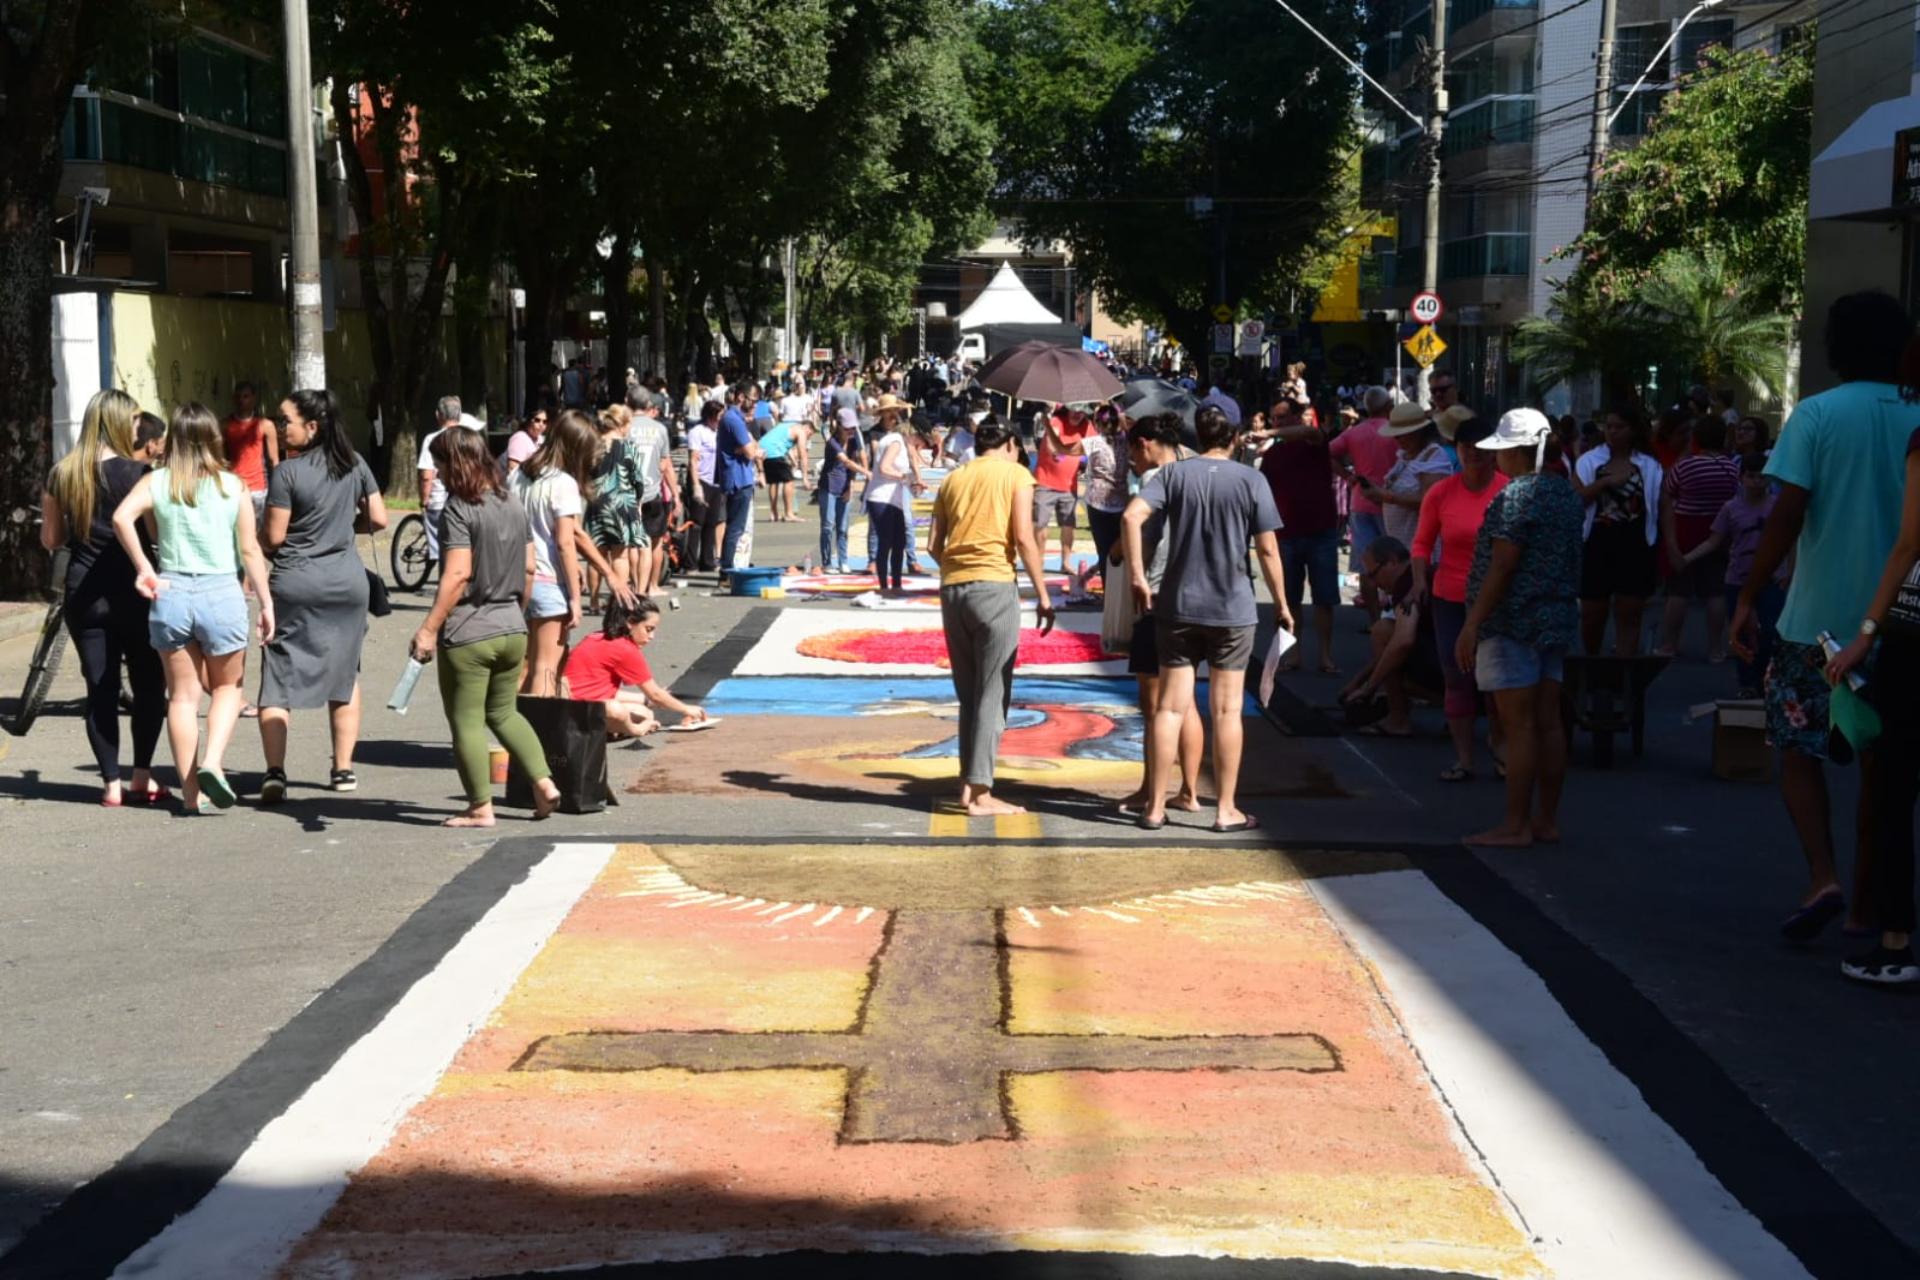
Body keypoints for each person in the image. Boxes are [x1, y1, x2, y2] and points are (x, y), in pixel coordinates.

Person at [1733, 290, 1920, 941]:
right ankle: (1868, 905)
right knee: (1882, 768)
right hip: (1900, 626)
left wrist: (1749, 594)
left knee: (1796, 751)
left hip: (1814, 625)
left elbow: (1785, 515)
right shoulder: (1916, 414)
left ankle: (1823, 875)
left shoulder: (1815, 415)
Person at [1122, 405, 1293, 834]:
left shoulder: (1174, 475)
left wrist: (1139, 578)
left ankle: (1155, 807)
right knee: (1226, 709)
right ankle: (1226, 809)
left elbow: (1130, 516)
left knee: (1169, 708)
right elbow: (1268, 549)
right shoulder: (1252, 480)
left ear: (1197, 436)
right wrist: (1282, 603)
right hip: (1232, 608)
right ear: (1235, 435)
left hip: (1178, 606)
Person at [112, 402, 274, 815]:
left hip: (172, 592)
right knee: (226, 688)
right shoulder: (232, 485)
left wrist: (145, 568)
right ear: (213, 439)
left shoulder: (158, 482)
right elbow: (250, 549)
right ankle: (213, 763)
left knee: (182, 698)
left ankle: (189, 794)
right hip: (221, 593)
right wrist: (267, 602)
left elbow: (121, 518)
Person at [413, 427, 560, 827]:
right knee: (505, 712)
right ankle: (544, 783)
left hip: (468, 630)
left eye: (441, 463)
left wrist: (429, 628)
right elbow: (530, 568)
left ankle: (480, 806)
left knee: (466, 720)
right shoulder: (511, 502)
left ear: (455, 463)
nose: (438, 473)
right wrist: (516, 610)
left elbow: (458, 574)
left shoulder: (460, 509)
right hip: (512, 625)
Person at [1454, 409, 1584, 848]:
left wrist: (1471, 623)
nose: (1496, 460)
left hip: (1513, 620)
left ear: (1515, 451)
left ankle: (1515, 824)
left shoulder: (1514, 497)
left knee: (1520, 727)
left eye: (1501, 451)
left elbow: (1504, 563)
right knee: (1548, 723)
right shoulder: (1565, 494)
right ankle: (1545, 820)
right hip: (1555, 618)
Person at [1825, 407, 1920, 984]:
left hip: (1914, 633)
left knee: (1891, 786)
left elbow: (1910, 543)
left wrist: (1865, 631)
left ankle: (1895, 940)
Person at [255, 389, 386, 802]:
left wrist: (254, 542)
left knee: (278, 677)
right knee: (344, 676)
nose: (280, 427)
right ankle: (343, 769)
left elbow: (274, 537)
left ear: (311, 427)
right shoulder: (355, 464)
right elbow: (379, 518)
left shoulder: (287, 474)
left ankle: (276, 772)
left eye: (285, 421)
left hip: (296, 583)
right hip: (348, 584)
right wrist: (344, 529)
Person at [41, 389, 167, 806]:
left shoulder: (61, 473)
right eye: (133, 419)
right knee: (149, 684)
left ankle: (110, 782)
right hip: (135, 591)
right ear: (116, 422)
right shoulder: (139, 473)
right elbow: (153, 536)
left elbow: (52, 539)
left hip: (84, 593)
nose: (138, 426)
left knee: (100, 686)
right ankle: (141, 776)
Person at [928, 417, 1058, 816]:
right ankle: (981, 792)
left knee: (970, 694)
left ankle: (969, 783)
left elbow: (934, 544)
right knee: (992, 692)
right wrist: (1042, 593)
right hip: (994, 586)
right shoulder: (1016, 475)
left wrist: (959, 566)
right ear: (1010, 444)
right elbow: (1023, 536)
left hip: (954, 589)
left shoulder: (954, 478)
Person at [1115, 414, 1204, 817]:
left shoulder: (1158, 481)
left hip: (1158, 593)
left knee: (1155, 704)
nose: (1132, 460)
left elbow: (1138, 527)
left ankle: (1151, 792)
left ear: (1147, 443)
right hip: (1199, 593)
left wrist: (1129, 566)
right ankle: (1189, 791)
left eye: (1132, 450)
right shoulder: (1199, 468)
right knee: (1186, 703)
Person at [1411, 414, 1508, 780]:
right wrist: (1420, 581)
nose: (1472, 455)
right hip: (1449, 596)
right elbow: (1421, 544)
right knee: (1457, 677)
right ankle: (1464, 758)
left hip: (1495, 598)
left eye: (1480, 449)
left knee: (1495, 680)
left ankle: (1500, 746)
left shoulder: (1506, 491)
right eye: (1465, 448)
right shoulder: (1441, 492)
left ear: (1493, 453)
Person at [512, 409, 634, 695]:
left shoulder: (519, 474)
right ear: (576, 449)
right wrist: (576, 598)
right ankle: (536, 736)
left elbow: (576, 534)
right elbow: (566, 542)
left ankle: (518, 730)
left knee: (529, 665)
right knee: (546, 667)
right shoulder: (563, 483)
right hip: (548, 580)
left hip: (519, 576)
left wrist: (607, 574)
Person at [1681, 454, 1786, 697]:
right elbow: (1714, 540)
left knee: (1769, 630)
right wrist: (1686, 558)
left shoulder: (1777, 505)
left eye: (1762, 477)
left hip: (1772, 576)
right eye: (1751, 476)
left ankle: (1765, 678)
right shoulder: (1731, 508)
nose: (1756, 482)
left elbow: (1790, 540)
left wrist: (1790, 571)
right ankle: (1747, 682)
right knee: (1742, 632)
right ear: (1742, 478)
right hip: (1738, 576)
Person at [1259, 395, 1341, 674]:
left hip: (1321, 531)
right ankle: (1292, 654)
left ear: (1297, 417)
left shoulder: (1314, 442)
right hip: (1286, 534)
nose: (1278, 422)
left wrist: (1269, 432)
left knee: (1324, 598)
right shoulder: (1271, 456)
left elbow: (1309, 432)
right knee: (1288, 600)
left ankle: (1326, 655)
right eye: (1274, 418)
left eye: (1283, 417)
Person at [1573, 407, 1663, 657]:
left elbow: (1660, 505)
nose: (1612, 432)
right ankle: (1592, 663)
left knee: (1629, 611)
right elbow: (1576, 498)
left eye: (1619, 427)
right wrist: (1603, 483)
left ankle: (1624, 672)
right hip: (1597, 540)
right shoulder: (1589, 461)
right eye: (1608, 426)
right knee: (1592, 612)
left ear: (1632, 430)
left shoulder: (1649, 465)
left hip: (1635, 540)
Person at [1339, 536, 1443, 737]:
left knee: (1382, 631)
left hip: (1459, 672)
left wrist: (1369, 687)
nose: (1374, 583)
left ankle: (1398, 719)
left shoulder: (1408, 582)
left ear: (1393, 562)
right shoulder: (1409, 579)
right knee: (1387, 639)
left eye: (1374, 574)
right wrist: (1359, 680)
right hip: (1458, 663)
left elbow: (1402, 642)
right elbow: (1394, 645)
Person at [563, 597, 710, 739]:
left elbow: (600, 690)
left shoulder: (598, 636)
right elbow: (655, 694)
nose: (651, 636)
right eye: (648, 629)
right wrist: (687, 709)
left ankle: (612, 729)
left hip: (571, 705)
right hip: (580, 711)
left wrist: (645, 701)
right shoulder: (625, 649)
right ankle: (632, 730)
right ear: (630, 623)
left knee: (645, 714)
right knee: (618, 711)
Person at [1658, 416, 1741, 660]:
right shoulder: (1731, 467)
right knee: (1715, 591)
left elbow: (1668, 494)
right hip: (1719, 530)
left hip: (1685, 529)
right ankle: (1715, 648)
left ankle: (1669, 644)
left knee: (1678, 591)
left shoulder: (1686, 466)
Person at [1330, 387, 1399, 623]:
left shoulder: (1354, 433)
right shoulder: (1395, 432)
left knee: (1367, 566)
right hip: (1392, 504)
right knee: (1397, 561)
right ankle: (1396, 618)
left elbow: (1328, 453)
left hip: (1361, 502)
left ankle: (1375, 621)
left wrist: (1347, 477)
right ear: (1388, 406)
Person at [1367, 401, 1454, 544]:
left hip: (1422, 545)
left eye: (1401, 435)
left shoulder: (1433, 457)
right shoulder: (1405, 456)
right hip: (1402, 543)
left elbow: (1429, 502)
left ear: (1417, 433)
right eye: (1396, 435)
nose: (1397, 439)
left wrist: (1387, 497)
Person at [586, 404, 646, 606]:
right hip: (622, 504)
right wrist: (637, 500)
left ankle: (593, 601)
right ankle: (619, 600)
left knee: (596, 555)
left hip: (596, 502)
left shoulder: (592, 445)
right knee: (620, 555)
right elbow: (638, 478)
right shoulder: (629, 447)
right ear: (622, 424)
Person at [865, 397, 924, 591]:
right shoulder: (895, 441)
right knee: (887, 542)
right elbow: (883, 468)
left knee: (899, 541)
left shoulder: (896, 440)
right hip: (882, 497)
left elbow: (911, 461)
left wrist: (914, 479)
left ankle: (896, 584)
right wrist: (904, 476)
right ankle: (885, 585)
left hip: (893, 497)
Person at [625, 390, 676, 595]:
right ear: (647, 404)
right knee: (653, 543)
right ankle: (650, 586)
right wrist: (675, 492)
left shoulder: (624, 428)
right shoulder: (660, 429)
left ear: (628, 402)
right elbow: (665, 463)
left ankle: (636, 584)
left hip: (628, 492)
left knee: (632, 544)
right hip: (652, 490)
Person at [1033, 405, 1090, 566]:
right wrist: (1057, 452)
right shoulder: (1057, 421)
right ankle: (1038, 561)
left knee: (1068, 526)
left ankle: (1066, 562)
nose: (1078, 414)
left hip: (1069, 485)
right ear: (1068, 409)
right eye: (1075, 410)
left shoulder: (1086, 426)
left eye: (1082, 411)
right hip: (1045, 481)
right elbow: (1052, 443)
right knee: (1040, 524)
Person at [1081, 408, 1130, 583]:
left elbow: (1063, 448)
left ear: (1098, 424)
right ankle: (1121, 589)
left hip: (1098, 502)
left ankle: (1108, 591)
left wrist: (1048, 428)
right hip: (1121, 501)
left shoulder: (1094, 442)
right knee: (1122, 547)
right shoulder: (1126, 441)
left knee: (1103, 550)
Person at [818, 408, 869, 573]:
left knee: (843, 527)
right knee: (828, 525)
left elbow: (853, 464)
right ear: (838, 426)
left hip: (844, 487)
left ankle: (843, 560)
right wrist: (867, 472)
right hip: (828, 488)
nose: (851, 431)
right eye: (847, 428)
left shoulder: (854, 441)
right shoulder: (832, 442)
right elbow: (846, 461)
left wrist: (851, 486)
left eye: (853, 428)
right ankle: (826, 563)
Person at [716, 389, 762, 571]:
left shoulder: (736, 419)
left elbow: (749, 446)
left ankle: (730, 566)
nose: (755, 404)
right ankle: (727, 570)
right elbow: (751, 451)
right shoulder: (733, 419)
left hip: (740, 477)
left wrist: (747, 449)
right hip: (738, 479)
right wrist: (752, 451)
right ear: (741, 397)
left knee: (737, 526)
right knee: (736, 527)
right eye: (753, 400)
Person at [223, 381, 280, 526]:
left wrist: (278, 490)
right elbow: (220, 458)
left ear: (254, 398)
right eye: (238, 397)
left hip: (258, 488)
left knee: (258, 530)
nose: (241, 400)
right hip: (234, 487)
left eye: (246, 396)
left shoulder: (265, 425)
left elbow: (274, 460)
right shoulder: (224, 425)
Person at [417, 396, 463, 569]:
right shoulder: (467, 437)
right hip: (464, 498)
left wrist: (424, 500)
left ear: (438, 415)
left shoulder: (432, 439)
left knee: (441, 545)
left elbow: (427, 475)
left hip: (439, 500)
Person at [686, 401, 722, 572]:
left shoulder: (719, 432)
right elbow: (693, 460)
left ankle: (707, 561)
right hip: (702, 480)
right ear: (711, 416)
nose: (721, 420)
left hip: (716, 481)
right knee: (696, 523)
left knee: (711, 523)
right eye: (719, 416)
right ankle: (690, 562)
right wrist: (696, 485)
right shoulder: (697, 432)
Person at [501, 407, 549, 477]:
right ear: (528, 421)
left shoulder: (541, 439)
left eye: (544, 422)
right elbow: (512, 469)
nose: (541, 424)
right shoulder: (520, 438)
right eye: (537, 420)